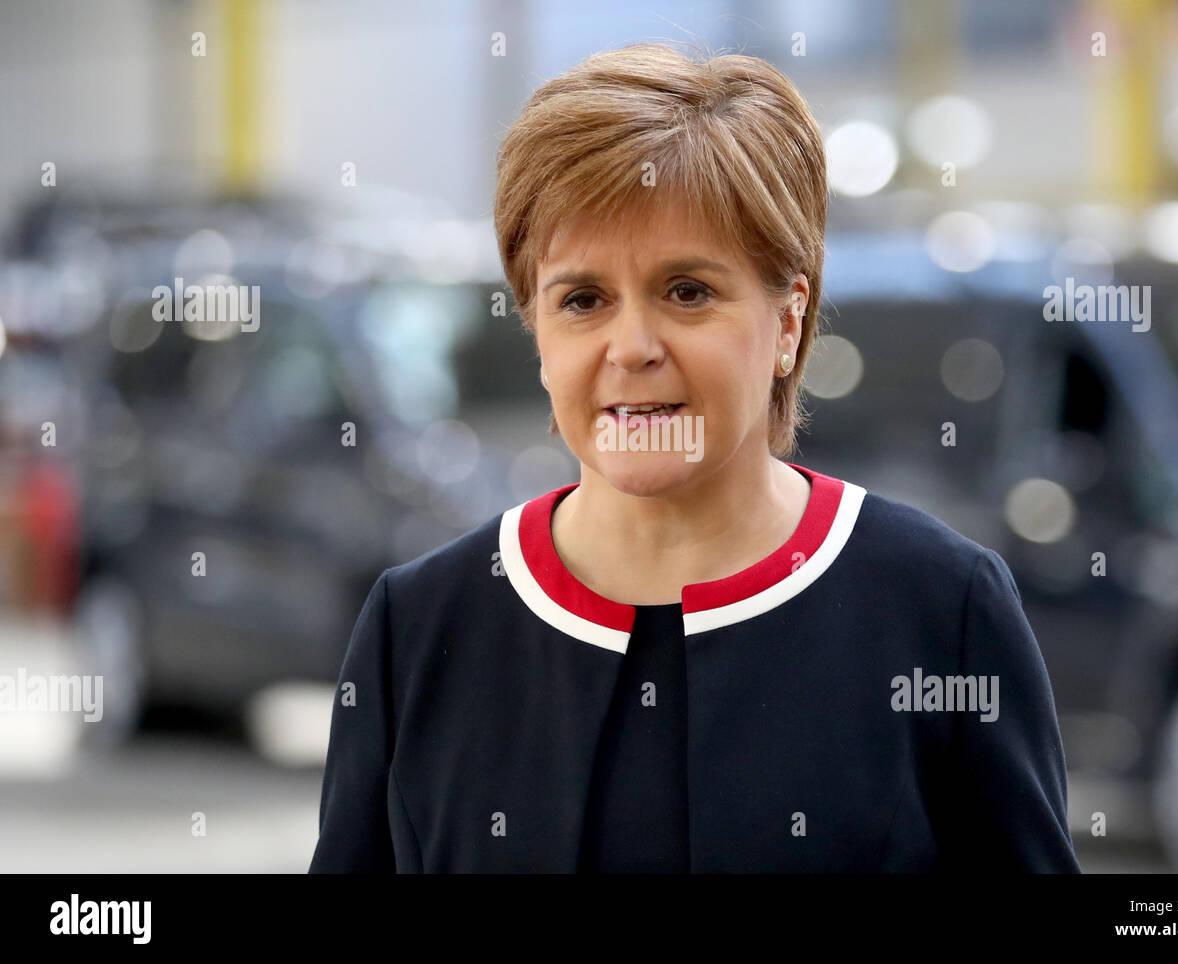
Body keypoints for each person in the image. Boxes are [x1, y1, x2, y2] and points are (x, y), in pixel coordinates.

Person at [309, 41, 1081, 873]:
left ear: (788, 323)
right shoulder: (419, 629)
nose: (631, 346)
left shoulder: (940, 610)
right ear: (536, 332)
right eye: (582, 299)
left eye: (688, 291)